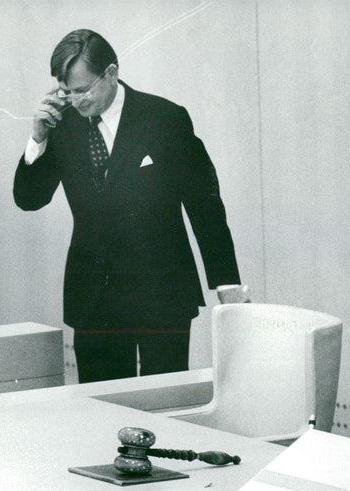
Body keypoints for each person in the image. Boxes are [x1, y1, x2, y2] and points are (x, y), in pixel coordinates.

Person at [14, 29, 243, 383]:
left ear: (111, 73)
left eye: (83, 89)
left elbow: (205, 205)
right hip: (93, 300)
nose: (76, 101)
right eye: (67, 92)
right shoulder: (61, 125)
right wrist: (37, 138)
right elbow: (30, 199)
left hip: (162, 296)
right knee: (100, 413)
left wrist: (227, 284)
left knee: (164, 408)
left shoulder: (164, 118)